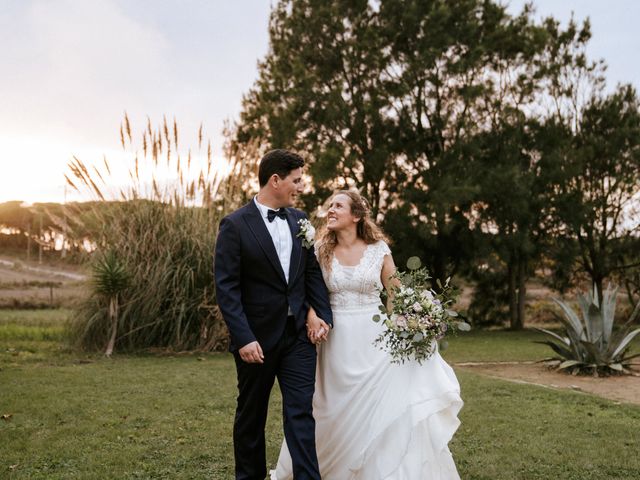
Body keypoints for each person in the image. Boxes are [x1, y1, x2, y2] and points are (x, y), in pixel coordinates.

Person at [271, 190, 462, 480]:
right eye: (330, 205)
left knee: (381, 407)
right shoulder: (319, 248)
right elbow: (303, 290)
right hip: (334, 342)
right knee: (330, 408)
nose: (330, 210)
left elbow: (394, 294)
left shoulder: (379, 249)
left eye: (338, 206)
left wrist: (412, 320)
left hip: (375, 340)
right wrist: (311, 316)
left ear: (357, 216)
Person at [214, 149, 333, 480]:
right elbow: (227, 288)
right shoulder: (235, 225)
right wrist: (244, 337)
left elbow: (310, 275)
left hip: (297, 338)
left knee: (300, 414)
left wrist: (317, 314)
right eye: (296, 180)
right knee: (252, 415)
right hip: (257, 341)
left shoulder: (301, 221)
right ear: (275, 180)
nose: (300, 187)